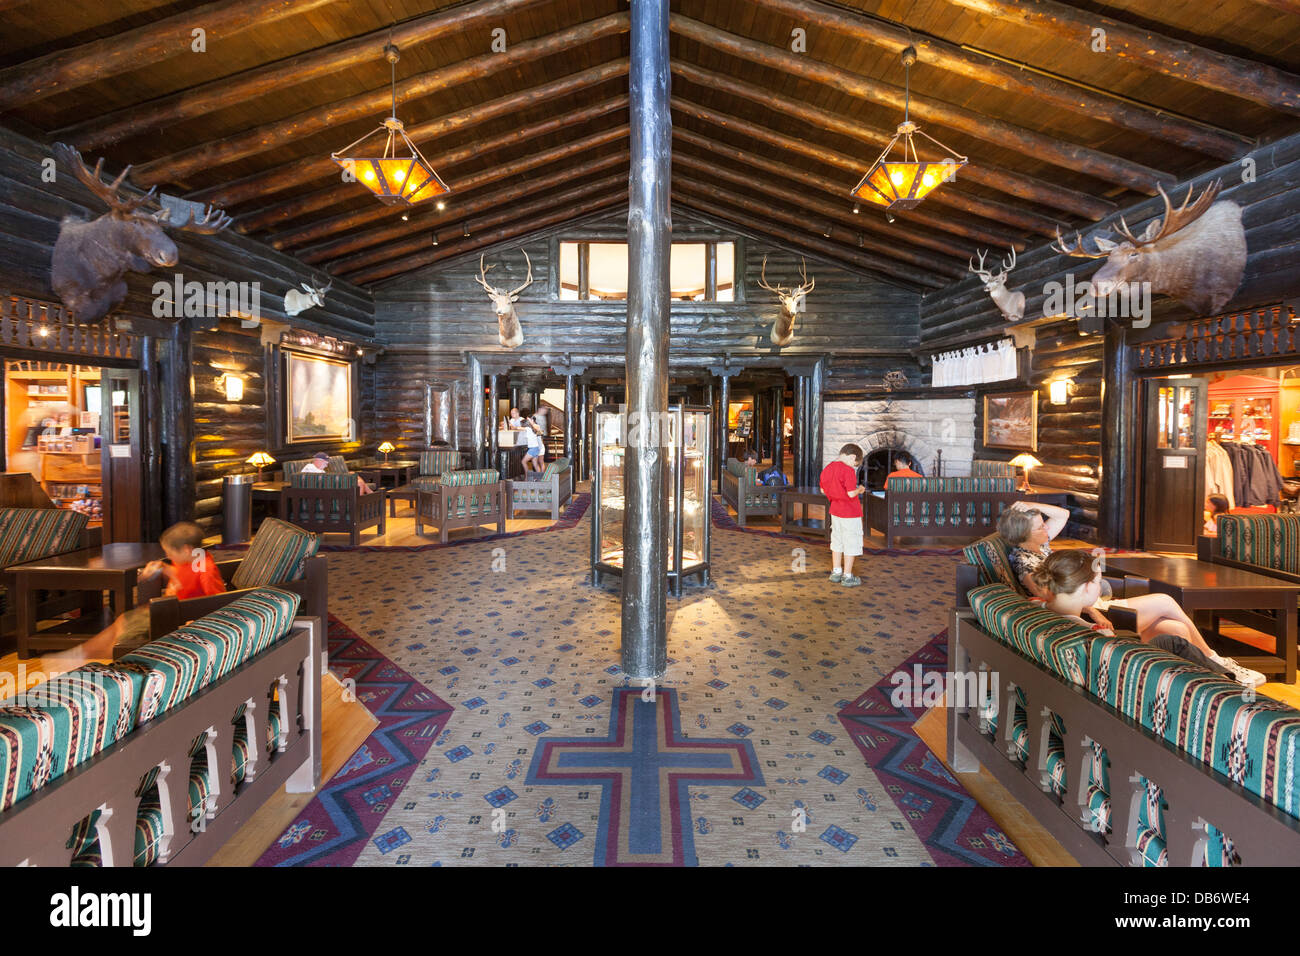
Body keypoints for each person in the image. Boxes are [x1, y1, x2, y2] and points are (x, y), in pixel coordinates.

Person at [998, 500, 1226, 669]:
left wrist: (1029, 504)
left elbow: (1063, 514)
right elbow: (1055, 596)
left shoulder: (1040, 545)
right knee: (1165, 601)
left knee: (1178, 630)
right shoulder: (1023, 561)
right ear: (1024, 533)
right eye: (1040, 527)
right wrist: (1095, 615)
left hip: (1092, 605)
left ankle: (1188, 681)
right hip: (1093, 611)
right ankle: (1213, 660)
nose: (1046, 528)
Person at [1032, 549, 1265, 687]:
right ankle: (1226, 686)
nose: (1101, 588)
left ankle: (1218, 678)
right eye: (1099, 582)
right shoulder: (1096, 634)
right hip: (1124, 680)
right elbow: (1118, 664)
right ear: (1085, 587)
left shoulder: (1036, 606)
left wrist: (1091, 610)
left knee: (1174, 629)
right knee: (1175, 640)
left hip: (1094, 675)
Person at [53, 521, 227, 666]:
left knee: (126, 632)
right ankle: (78, 656)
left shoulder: (207, 570)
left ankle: (86, 661)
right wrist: (164, 568)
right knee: (123, 620)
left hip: (175, 617)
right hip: (163, 610)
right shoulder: (193, 560)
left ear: (187, 550)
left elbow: (218, 601)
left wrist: (196, 621)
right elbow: (184, 577)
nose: (167, 555)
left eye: (169, 553)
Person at [819, 443, 866, 587]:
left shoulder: (827, 468)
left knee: (837, 540)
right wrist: (860, 489)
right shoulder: (848, 470)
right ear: (852, 457)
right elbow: (851, 493)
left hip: (835, 511)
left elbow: (822, 490)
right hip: (850, 512)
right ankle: (847, 576)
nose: (854, 466)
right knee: (851, 542)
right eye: (855, 463)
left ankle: (836, 572)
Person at [302, 450, 375, 494]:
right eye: (325, 462)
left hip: (330, 487)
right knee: (359, 483)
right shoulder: (310, 468)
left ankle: (368, 493)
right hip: (329, 491)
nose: (327, 464)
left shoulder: (320, 470)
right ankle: (359, 501)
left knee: (352, 473)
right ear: (318, 461)